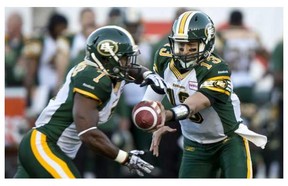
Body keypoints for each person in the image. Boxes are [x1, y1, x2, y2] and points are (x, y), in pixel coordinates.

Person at [14, 25, 166, 178]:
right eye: (124, 58)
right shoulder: (93, 78)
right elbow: (88, 134)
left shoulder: (107, 72)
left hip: (52, 148)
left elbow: (132, 70)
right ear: (108, 58)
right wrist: (124, 158)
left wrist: (148, 74)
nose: (129, 63)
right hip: (44, 145)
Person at [141, 10, 268, 178]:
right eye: (180, 45)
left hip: (227, 142)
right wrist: (152, 121)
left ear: (207, 44)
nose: (185, 51)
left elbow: (196, 103)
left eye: (192, 46)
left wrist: (167, 115)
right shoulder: (164, 56)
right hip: (194, 145)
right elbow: (155, 93)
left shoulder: (217, 67)